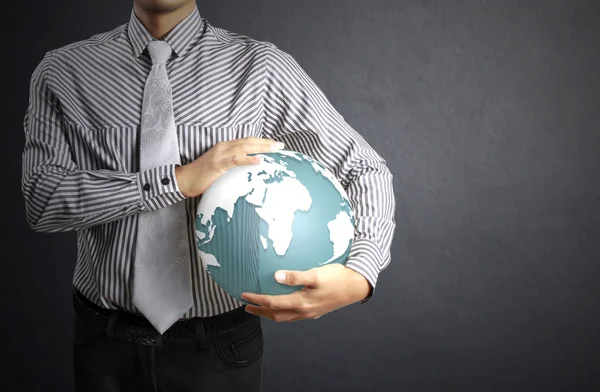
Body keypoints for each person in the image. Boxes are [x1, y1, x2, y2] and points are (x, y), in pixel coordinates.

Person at [21, 0, 396, 391]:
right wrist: (179, 180)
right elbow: (41, 200)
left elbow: (363, 168)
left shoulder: (262, 68)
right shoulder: (62, 71)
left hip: (220, 348)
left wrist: (360, 275)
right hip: (103, 343)